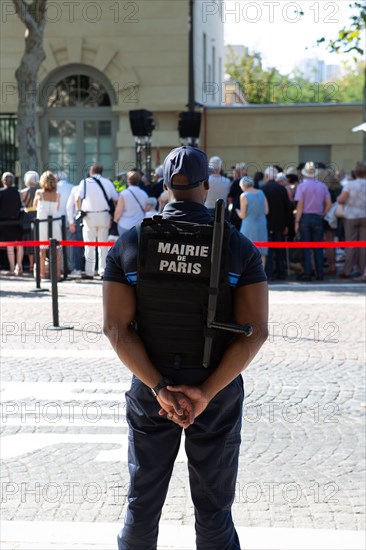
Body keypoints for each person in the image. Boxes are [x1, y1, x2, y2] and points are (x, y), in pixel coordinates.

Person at [103, 145, 268, 550]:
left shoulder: (130, 243)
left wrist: (160, 388)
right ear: (207, 185)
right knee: (214, 509)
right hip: (216, 386)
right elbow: (256, 331)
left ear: (163, 183)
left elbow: (116, 329)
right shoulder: (236, 245)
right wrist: (206, 393)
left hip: (150, 386)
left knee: (142, 503)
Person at [76, 163, 119, 280]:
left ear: (91, 172)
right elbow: (116, 199)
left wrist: (79, 211)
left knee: (89, 245)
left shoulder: (84, 182)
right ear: (101, 171)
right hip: (104, 215)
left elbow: (77, 199)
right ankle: (103, 271)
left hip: (89, 216)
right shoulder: (108, 183)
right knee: (103, 245)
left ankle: (89, 272)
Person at [294, 161, 332, 281]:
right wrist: (323, 213)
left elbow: (300, 205)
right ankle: (320, 273)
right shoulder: (322, 186)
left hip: (305, 217)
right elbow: (329, 203)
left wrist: (297, 221)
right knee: (318, 247)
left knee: (306, 247)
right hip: (318, 218)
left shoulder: (302, 186)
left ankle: (308, 272)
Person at [262, 166, 292, 280]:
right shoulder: (282, 189)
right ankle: (281, 272)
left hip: (267, 223)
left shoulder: (263, 189)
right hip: (280, 224)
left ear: (267, 176)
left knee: (268, 248)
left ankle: (269, 272)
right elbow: (287, 208)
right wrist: (287, 225)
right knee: (280, 249)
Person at [337, 162, 366, 279]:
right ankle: (362, 270)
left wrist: (339, 198)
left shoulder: (349, 185)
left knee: (351, 244)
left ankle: (348, 270)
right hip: (364, 215)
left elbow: (342, 199)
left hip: (351, 216)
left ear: (355, 173)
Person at [33, 171, 62, 280]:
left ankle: (41, 274)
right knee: (57, 249)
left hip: (42, 224)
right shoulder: (57, 194)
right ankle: (57, 274)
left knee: (42, 249)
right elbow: (57, 208)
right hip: (54, 223)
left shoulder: (39, 193)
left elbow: (34, 206)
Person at [236, 175, 269, 267]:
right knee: (262, 251)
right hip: (262, 224)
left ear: (243, 186)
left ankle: (248, 276)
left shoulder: (244, 195)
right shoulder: (261, 192)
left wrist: (236, 211)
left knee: (246, 250)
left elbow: (242, 215)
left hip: (249, 225)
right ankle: (262, 275)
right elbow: (266, 211)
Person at [0, 172, 23, 275]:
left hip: (5, 222)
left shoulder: (1, 192)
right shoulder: (17, 192)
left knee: (10, 245)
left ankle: (12, 268)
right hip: (17, 220)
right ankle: (20, 266)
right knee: (19, 244)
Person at [113, 170, 149, 236]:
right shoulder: (144, 194)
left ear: (128, 181)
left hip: (125, 225)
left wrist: (115, 220)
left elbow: (118, 211)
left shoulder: (124, 193)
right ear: (138, 181)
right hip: (139, 226)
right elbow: (145, 210)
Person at [20, 170, 40, 274]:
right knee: (39, 240)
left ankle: (31, 265)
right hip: (38, 216)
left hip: (27, 217)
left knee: (29, 241)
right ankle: (38, 264)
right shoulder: (40, 191)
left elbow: (21, 206)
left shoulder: (23, 192)